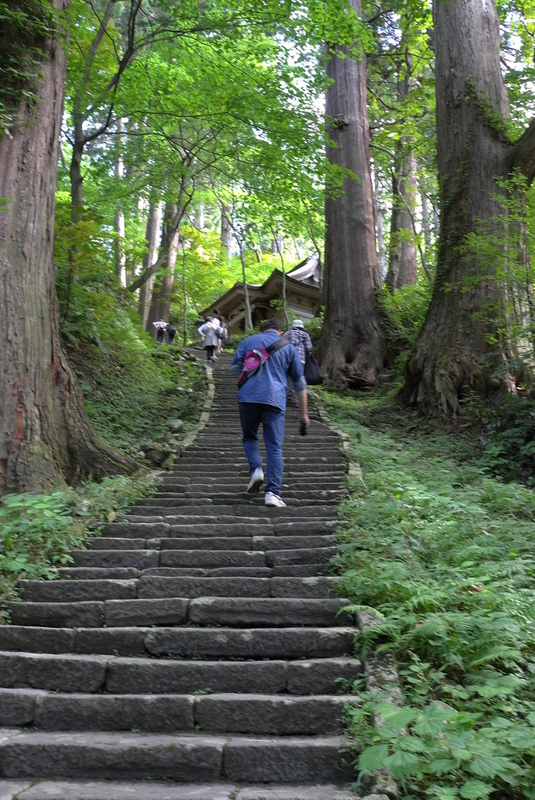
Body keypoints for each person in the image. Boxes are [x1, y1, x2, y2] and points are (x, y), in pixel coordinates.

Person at [230, 318, 310, 507]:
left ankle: (256, 470)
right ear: (280, 332)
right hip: (275, 399)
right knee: (274, 447)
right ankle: (273, 493)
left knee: (250, 438)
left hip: (248, 397)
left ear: (262, 330)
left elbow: (235, 370)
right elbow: (300, 383)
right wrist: (304, 414)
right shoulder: (288, 347)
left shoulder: (247, 342)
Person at [284, 319, 313, 406]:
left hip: (287, 359)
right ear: (301, 327)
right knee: (298, 378)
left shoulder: (286, 334)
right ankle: (297, 401)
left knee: (288, 377)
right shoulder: (304, 335)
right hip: (300, 359)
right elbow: (309, 348)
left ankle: (288, 395)